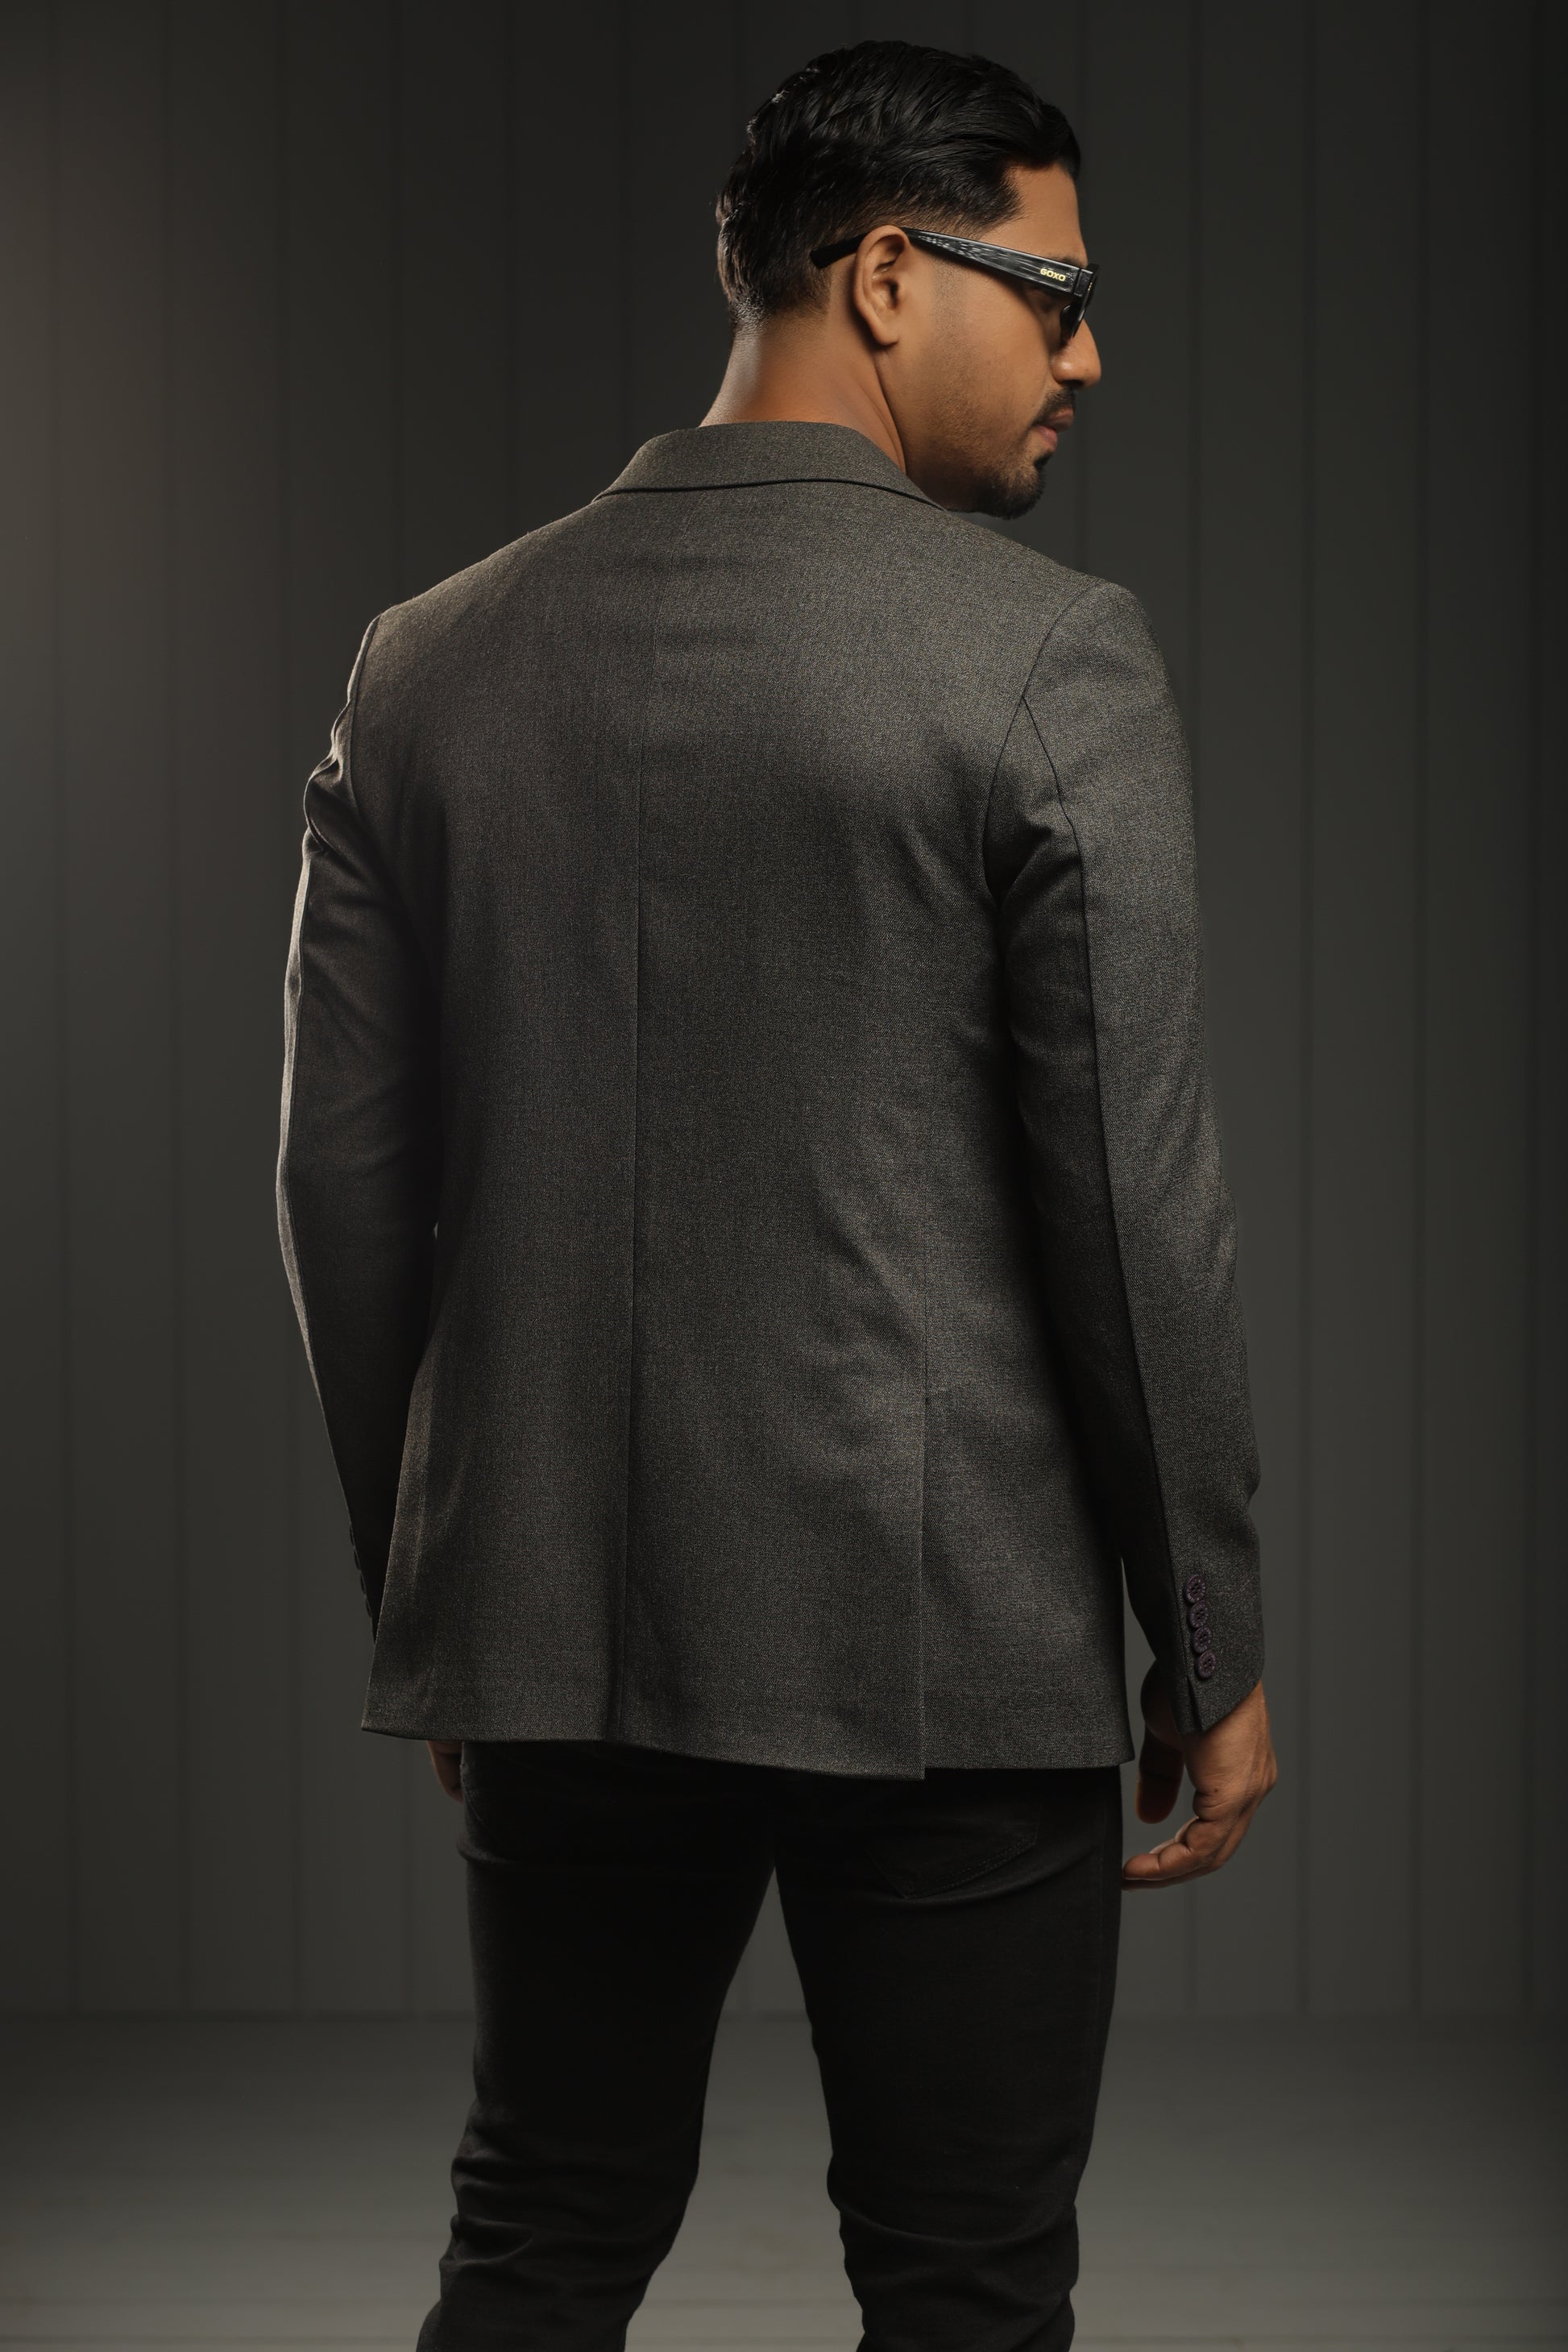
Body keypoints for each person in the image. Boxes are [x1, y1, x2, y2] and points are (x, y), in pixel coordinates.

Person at [276, 36, 1277, 2351]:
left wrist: (447, 1593)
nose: (1088, 358)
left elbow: (340, 1180)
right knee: (964, 2286)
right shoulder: (1042, 660)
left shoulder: (423, 664)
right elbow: (1134, 1210)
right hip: (953, 1656)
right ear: (889, 276)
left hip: (559, 1624)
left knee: (541, 2236)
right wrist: (1209, 1636)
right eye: (1056, 295)